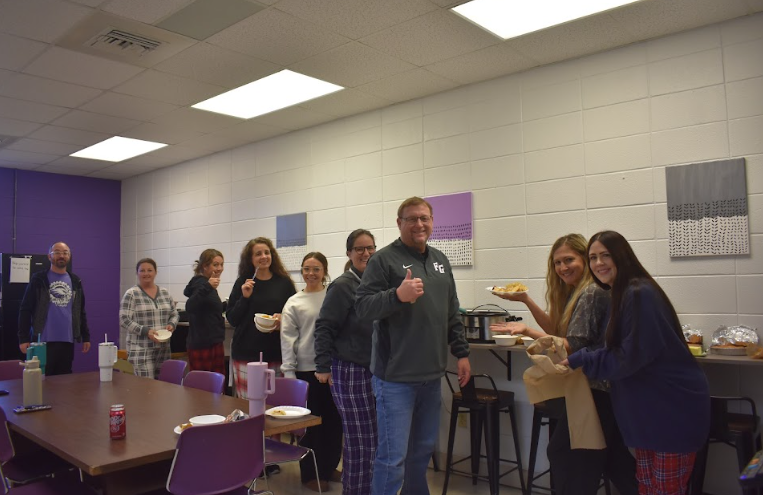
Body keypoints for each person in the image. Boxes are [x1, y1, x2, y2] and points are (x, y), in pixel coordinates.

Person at [564, 231, 710, 495]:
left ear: (622, 256)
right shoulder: (622, 293)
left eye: (605, 255)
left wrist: (580, 360)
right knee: (647, 486)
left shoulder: (639, 293)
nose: (599, 263)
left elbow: (629, 357)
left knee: (664, 488)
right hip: (649, 411)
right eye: (593, 257)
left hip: (670, 409)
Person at [490, 234, 638, 495]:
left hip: (593, 388)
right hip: (600, 386)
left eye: (569, 260)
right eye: (557, 263)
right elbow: (559, 329)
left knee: (567, 456)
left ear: (585, 259)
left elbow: (573, 343)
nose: (562, 268)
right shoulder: (579, 292)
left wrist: (530, 333)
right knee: (614, 461)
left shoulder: (591, 292)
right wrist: (526, 304)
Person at [355, 196, 471, 495]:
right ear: (399, 223)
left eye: (424, 218)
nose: (419, 224)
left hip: (431, 376)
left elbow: (451, 310)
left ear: (432, 222)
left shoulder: (440, 260)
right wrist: (397, 296)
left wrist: (461, 352)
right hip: (395, 379)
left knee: (421, 455)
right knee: (392, 459)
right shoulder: (383, 260)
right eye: (411, 219)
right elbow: (363, 308)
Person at [314, 229, 378, 495]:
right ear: (349, 253)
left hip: (373, 369)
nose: (366, 253)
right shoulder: (343, 285)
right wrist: (322, 366)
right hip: (349, 371)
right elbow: (324, 327)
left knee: (369, 440)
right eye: (359, 249)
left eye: (370, 248)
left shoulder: (375, 283)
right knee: (360, 441)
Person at [281, 252, 342, 492]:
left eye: (316, 269)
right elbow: (287, 340)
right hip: (306, 371)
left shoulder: (333, 296)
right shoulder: (294, 302)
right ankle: (310, 474)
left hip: (333, 370)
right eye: (307, 269)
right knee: (311, 427)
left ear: (324, 271)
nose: (311, 273)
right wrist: (289, 373)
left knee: (334, 423)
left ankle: (328, 467)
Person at [227, 237, 295, 398]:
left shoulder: (284, 283)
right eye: (258, 254)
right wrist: (244, 297)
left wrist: (283, 318)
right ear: (250, 259)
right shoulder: (243, 283)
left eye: (267, 252)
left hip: (276, 353)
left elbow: (293, 315)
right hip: (247, 354)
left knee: (275, 406)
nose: (264, 256)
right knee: (250, 405)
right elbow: (232, 319)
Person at [18, 242, 91, 375]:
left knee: (64, 381)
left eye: (65, 253)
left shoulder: (75, 281)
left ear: (69, 256)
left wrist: (85, 336)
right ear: (49, 256)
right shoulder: (39, 279)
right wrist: (23, 338)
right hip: (43, 340)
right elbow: (25, 309)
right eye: (57, 252)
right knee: (42, 378)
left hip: (67, 339)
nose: (61, 255)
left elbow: (81, 311)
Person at [119, 258, 179, 379]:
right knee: (147, 388)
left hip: (163, 349)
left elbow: (174, 313)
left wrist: (172, 324)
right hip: (141, 349)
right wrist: (145, 331)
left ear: (155, 272)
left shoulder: (164, 293)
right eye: (142, 271)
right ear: (137, 273)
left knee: (163, 387)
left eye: (150, 270)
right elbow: (124, 319)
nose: (146, 273)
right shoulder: (132, 294)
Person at [183, 249, 226, 374]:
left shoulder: (206, 285)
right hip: (203, 344)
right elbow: (190, 306)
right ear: (205, 266)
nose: (219, 268)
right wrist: (208, 286)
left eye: (221, 264)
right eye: (215, 264)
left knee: (213, 386)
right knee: (203, 388)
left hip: (212, 341)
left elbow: (212, 309)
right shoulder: (202, 283)